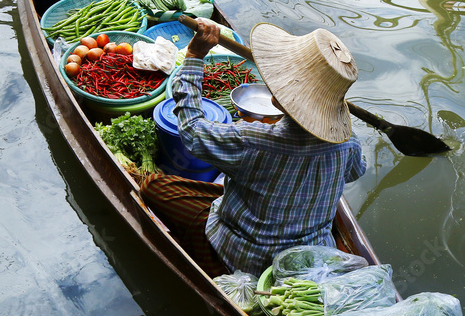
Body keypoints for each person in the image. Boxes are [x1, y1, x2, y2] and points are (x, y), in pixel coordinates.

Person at [139, 17, 366, 277]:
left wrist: (194, 56)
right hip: (309, 258)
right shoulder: (347, 143)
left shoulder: (254, 140)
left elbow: (191, 130)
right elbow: (355, 172)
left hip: (244, 254)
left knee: (153, 186)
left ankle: (207, 260)